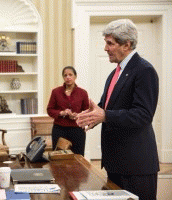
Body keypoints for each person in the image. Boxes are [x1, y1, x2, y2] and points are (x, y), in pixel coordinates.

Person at [76, 19, 159, 200]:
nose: (105, 48)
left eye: (110, 43)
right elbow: (107, 109)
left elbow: (143, 115)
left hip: (136, 167)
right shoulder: (114, 73)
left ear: (127, 44)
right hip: (116, 164)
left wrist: (104, 115)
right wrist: (92, 116)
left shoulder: (144, 70)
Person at [47, 66, 89, 155]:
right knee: (59, 158)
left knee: (78, 158)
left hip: (77, 130)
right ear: (63, 77)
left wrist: (78, 115)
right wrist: (61, 113)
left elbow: (87, 111)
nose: (68, 77)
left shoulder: (83, 93)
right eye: (65, 75)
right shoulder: (56, 92)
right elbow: (50, 110)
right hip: (59, 130)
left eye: (70, 75)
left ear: (75, 76)